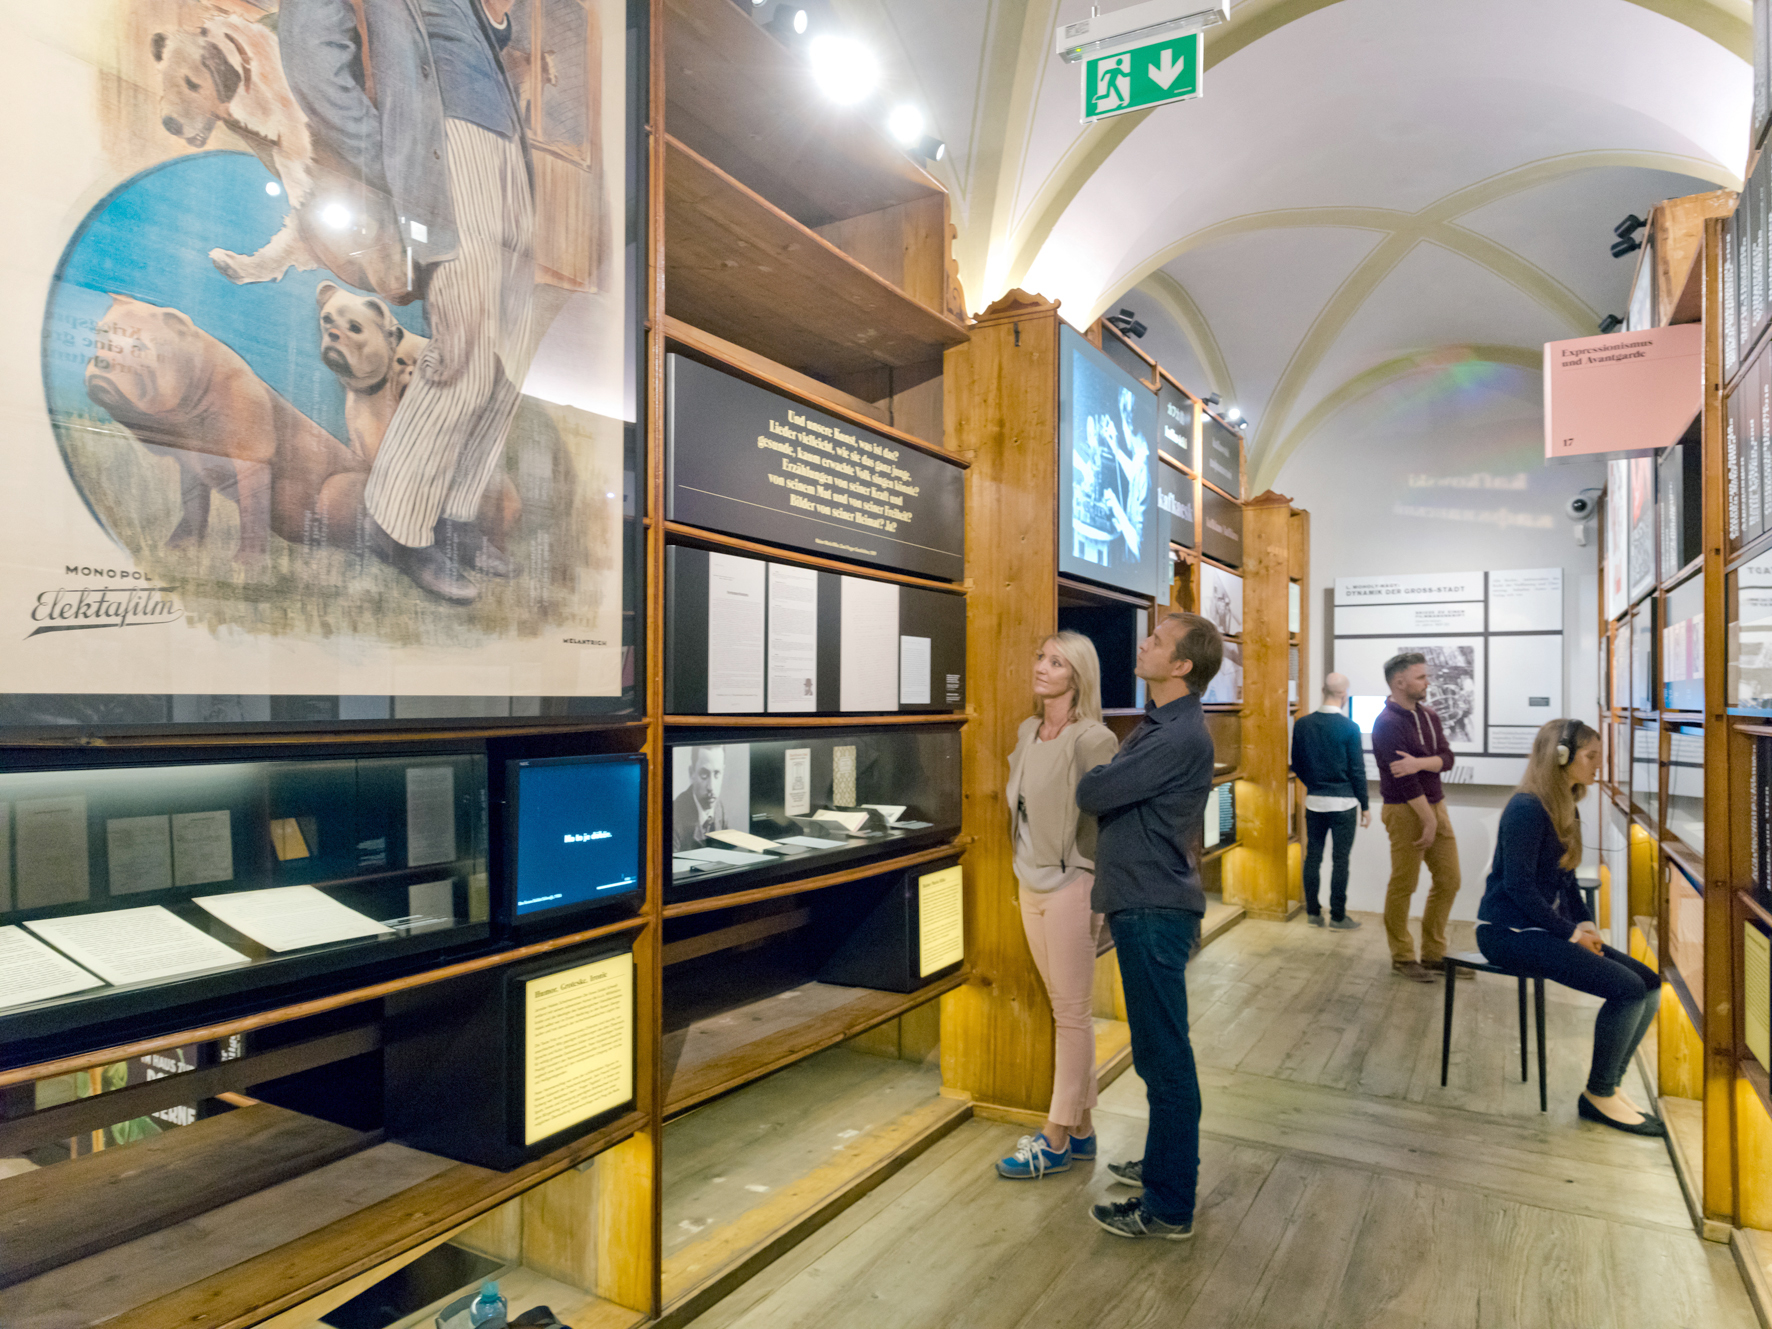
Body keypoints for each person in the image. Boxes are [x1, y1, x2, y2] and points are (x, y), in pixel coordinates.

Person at [281, 0, 536, 606]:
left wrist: (497, 18)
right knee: (463, 352)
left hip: (506, 156)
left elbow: (474, 46)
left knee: (512, 357)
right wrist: (390, 149)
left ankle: (457, 516)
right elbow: (313, 56)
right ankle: (397, 524)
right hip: (444, 147)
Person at [1075, 612, 1221, 1240]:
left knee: (1164, 1060)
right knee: (1160, 1055)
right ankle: (1166, 1164)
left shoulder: (1177, 733)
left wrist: (1101, 779)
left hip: (1152, 906)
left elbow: (1095, 792)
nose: (1144, 643)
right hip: (1147, 899)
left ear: (1182, 666)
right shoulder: (1163, 724)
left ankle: (1168, 1206)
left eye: (1158, 641)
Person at [1476, 719, 1664, 1136]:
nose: (1599, 765)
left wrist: (1585, 923)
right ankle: (1598, 1094)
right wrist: (1570, 934)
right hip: (1507, 934)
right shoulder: (1527, 807)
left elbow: (1565, 879)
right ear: (1560, 757)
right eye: (1591, 756)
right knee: (1627, 989)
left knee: (1649, 984)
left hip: (1542, 930)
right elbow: (1519, 888)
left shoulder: (1563, 805)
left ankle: (1609, 1087)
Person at [995, 632, 1120, 1180]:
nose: (1040, 667)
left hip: (1074, 884)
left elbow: (1106, 819)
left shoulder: (1093, 738)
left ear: (1077, 675)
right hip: (1030, 880)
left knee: (1071, 1013)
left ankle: (1054, 1140)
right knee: (1062, 1008)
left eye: (1055, 661)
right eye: (1039, 656)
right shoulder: (1028, 731)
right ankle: (1084, 1132)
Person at [1372, 651, 1461, 982]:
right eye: (1421, 677)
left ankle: (1434, 953)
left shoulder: (1429, 716)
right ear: (1399, 682)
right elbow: (1403, 779)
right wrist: (1427, 819)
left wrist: (1421, 762)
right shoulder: (1387, 723)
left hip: (1434, 805)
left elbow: (1447, 759)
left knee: (1449, 880)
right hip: (1406, 810)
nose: (1428, 682)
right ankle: (1403, 956)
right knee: (1404, 884)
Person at [1288, 672, 1369, 929]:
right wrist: (1365, 805)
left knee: (1313, 857)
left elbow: (1297, 764)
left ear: (1323, 690)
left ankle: (1313, 912)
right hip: (1344, 804)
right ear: (1343, 694)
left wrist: (1313, 785)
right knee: (1340, 860)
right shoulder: (1350, 727)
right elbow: (1357, 770)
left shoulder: (1302, 724)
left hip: (1315, 802)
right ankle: (1337, 916)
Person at [671, 747, 727, 850]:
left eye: (717, 774)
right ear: (691, 773)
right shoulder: (673, 816)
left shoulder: (719, 808)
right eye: (704, 774)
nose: (711, 787)